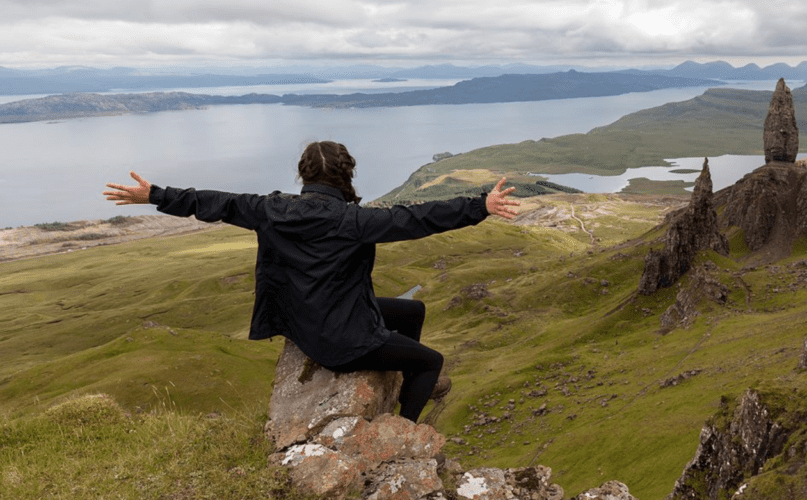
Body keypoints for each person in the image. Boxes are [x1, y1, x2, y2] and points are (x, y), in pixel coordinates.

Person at [103, 141, 520, 423]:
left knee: (413, 310)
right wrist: (479, 205)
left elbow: (214, 202)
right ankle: (404, 426)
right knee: (431, 361)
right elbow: (419, 219)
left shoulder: (269, 209)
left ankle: (398, 379)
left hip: (303, 322)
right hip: (341, 341)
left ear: (304, 174)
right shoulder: (356, 220)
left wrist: (156, 193)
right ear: (347, 175)